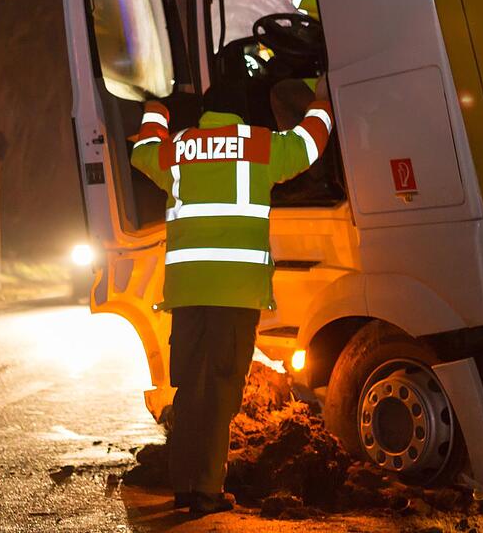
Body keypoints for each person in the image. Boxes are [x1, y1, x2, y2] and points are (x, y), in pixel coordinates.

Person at [129, 77, 333, 515]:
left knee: (188, 388)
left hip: (186, 293)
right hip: (235, 292)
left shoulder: (180, 149)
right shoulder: (260, 146)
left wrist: (156, 112)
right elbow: (309, 145)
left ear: (204, 113)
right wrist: (323, 102)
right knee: (221, 389)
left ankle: (185, 486)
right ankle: (206, 492)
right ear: (242, 111)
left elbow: (141, 153)